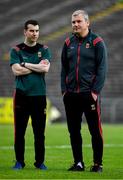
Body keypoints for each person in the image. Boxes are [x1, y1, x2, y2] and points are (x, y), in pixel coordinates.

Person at [61, 10, 107, 172]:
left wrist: (94, 92)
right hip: (71, 95)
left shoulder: (97, 42)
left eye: (79, 21)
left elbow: (102, 69)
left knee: (95, 130)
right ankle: (78, 163)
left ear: (87, 23)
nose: (75, 24)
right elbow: (64, 69)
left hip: (89, 94)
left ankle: (97, 164)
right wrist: (64, 91)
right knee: (74, 131)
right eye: (73, 22)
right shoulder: (68, 43)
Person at [10, 20, 51, 170]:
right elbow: (16, 71)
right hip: (21, 95)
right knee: (19, 131)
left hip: (39, 96)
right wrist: (37, 67)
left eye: (37, 31)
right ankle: (19, 161)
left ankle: (40, 162)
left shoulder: (44, 49)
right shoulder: (16, 50)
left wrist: (25, 64)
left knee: (39, 132)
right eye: (32, 31)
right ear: (25, 32)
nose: (35, 34)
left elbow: (45, 69)